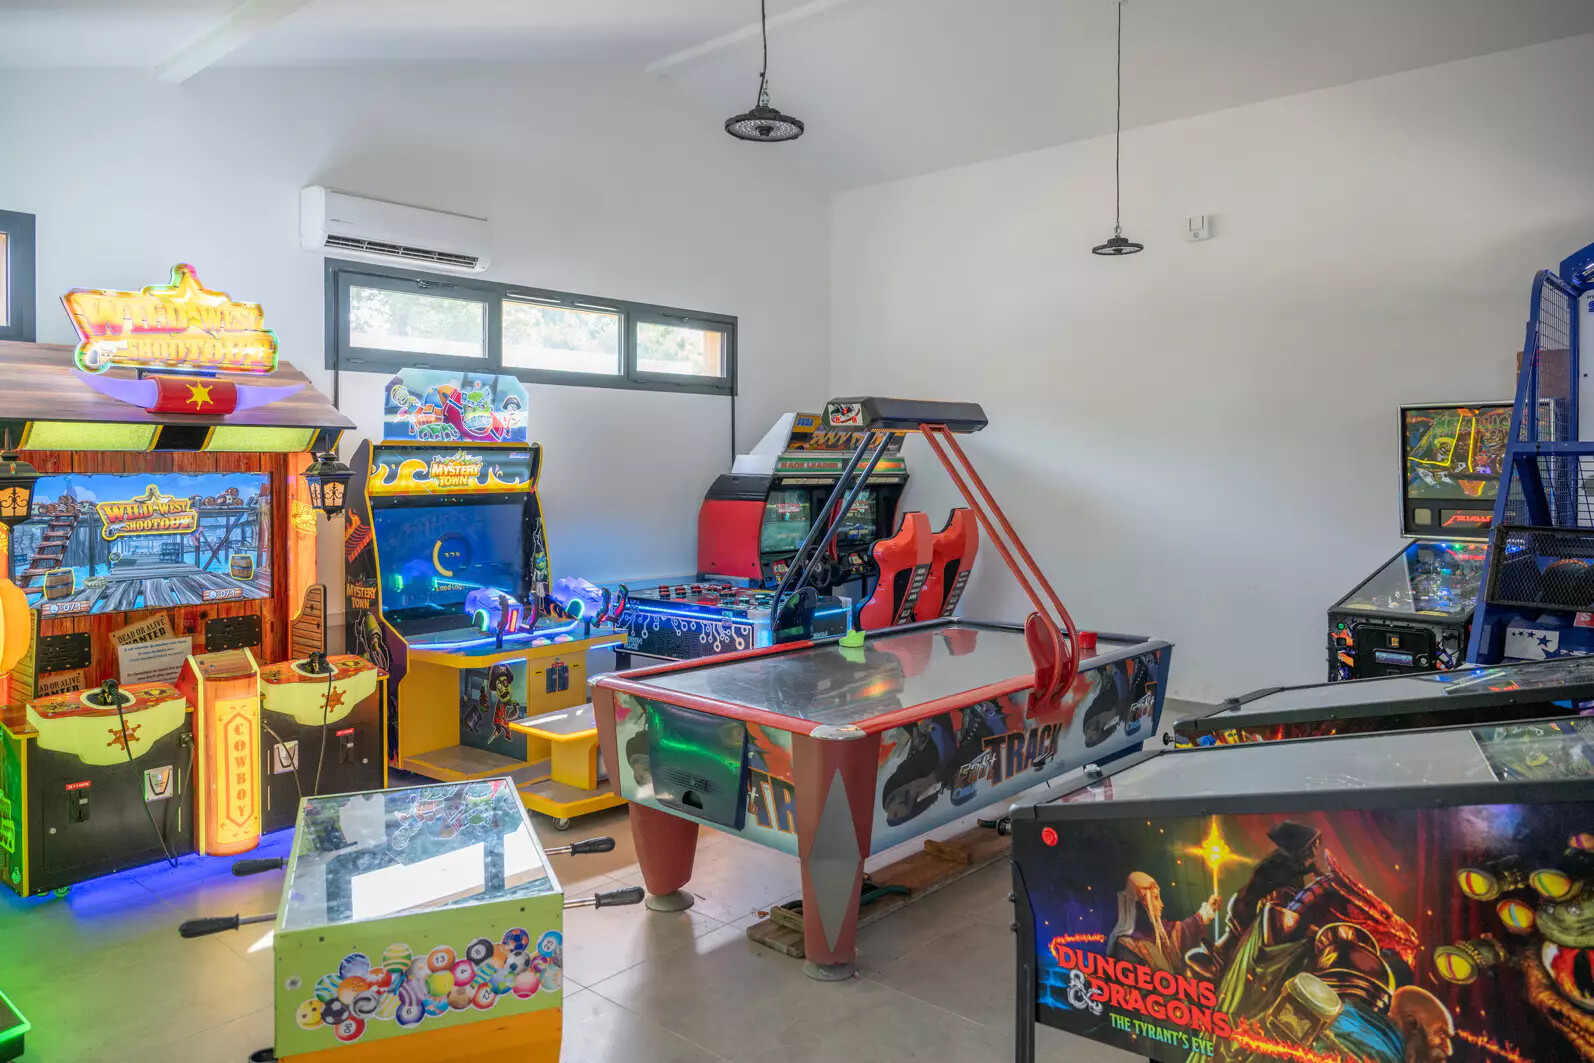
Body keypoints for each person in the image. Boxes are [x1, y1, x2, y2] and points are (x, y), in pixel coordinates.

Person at [1106, 871, 1221, 974]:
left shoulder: (1161, 932)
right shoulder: (1125, 946)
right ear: (1142, 903)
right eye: (1156, 898)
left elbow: (1184, 929)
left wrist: (1208, 910)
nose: (1161, 904)